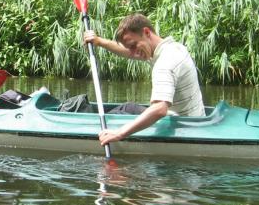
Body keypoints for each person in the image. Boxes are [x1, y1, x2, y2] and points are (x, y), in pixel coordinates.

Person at [83, 13, 204, 146]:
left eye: (133, 45)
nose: (133, 52)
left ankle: (98, 131)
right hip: (193, 118)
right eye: (130, 48)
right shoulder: (172, 47)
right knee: (128, 107)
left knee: (119, 115)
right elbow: (128, 51)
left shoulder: (164, 63)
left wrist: (119, 133)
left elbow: (159, 109)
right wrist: (99, 41)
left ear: (146, 32)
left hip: (182, 126)